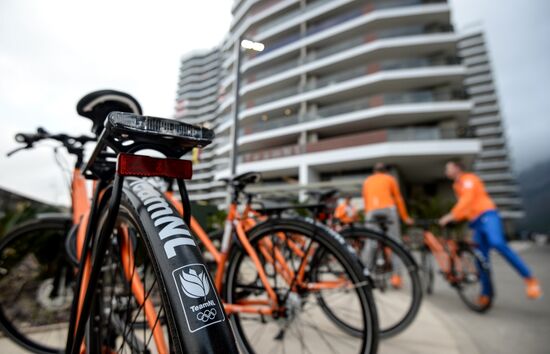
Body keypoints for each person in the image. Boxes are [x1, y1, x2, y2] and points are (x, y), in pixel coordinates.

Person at [439, 160, 542, 303]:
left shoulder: (469, 179)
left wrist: (451, 215)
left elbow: (467, 199)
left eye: (448, 167)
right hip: (475, 222)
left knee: (497, 243)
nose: (446, 171)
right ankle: (486, 293)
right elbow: (466, 208)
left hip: (487, 215)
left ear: (457, 168)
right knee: (480, 258)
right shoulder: (456, 186)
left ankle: (530, 279)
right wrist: (455, 218)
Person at [362, 162, 414, 288]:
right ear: (385, 171)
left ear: (374, 172)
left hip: (372, 211)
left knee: (370, 243)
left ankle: (364, 274)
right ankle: (396, 277)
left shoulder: (367, 181)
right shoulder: (390, 179)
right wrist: (405, 217)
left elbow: (366, 200)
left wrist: (367, 215)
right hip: (388, 210)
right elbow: (398, 198)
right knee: (395, 243)